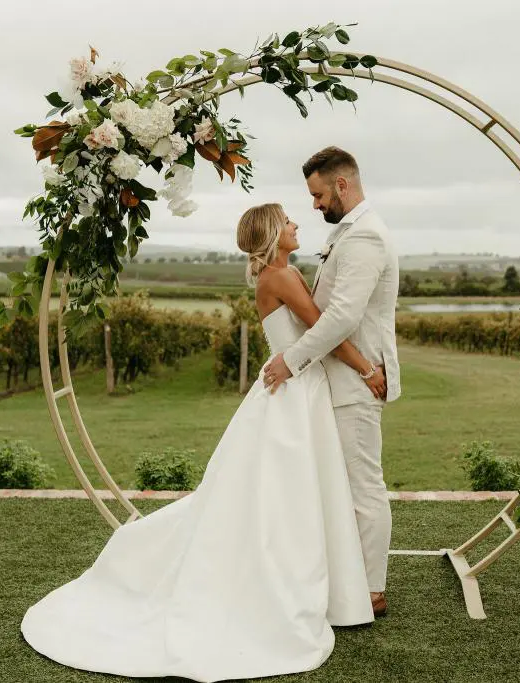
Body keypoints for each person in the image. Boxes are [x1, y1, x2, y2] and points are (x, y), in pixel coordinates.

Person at [21, 201, 384, 682]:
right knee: (289, 497)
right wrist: (367, 369)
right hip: (295, 391)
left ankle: (321, 582)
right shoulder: (283, 278)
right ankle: (298, 586)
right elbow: (328, 330)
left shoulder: (275, 277)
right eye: (289, 221)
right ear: (275, 234)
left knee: (283, 495)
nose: (298, 224)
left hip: (290, 387)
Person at [264, 146, 401, 618]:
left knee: (363, 486)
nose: (315, 205)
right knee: (346, 485)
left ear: (342, 185)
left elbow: (342, 315)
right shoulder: (349, 233)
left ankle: (371, 591)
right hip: (341, 379)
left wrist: (291, 360)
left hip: (356, 383)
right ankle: (349, 581)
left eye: (319, 195)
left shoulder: (364, 237)